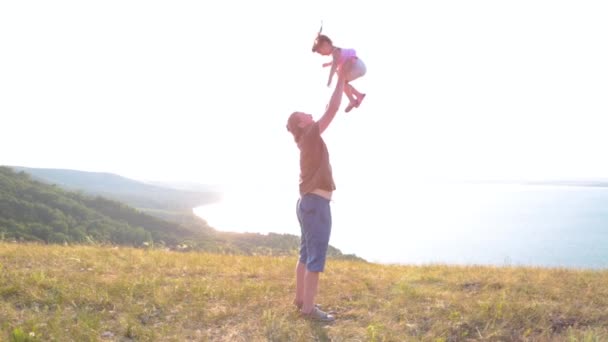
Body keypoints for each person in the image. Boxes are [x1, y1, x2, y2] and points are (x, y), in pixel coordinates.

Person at [285, 59, 352, 322]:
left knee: (305, 254)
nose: (311, 116)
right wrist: (341, 79)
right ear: (302, 124)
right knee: (315, 259)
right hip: (315, 205)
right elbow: (333, 108)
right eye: (306, 115)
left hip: (306, 204)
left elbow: (327, 109)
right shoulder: (310, 134)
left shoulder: (306, 138)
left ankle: (301, 300)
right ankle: (309, 310)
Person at [312, 33, 367, 113]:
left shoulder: (335, 52)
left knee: (340, 80)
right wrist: (328, 64)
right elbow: (337, 61)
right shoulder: (337, 51)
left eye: (321, 52)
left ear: (325, 45)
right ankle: (359, 95)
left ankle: (352, 100)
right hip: (360, 66)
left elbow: (334, 65)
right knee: (343, 83)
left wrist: (330, 79)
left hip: (355, 66)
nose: (322, 55)